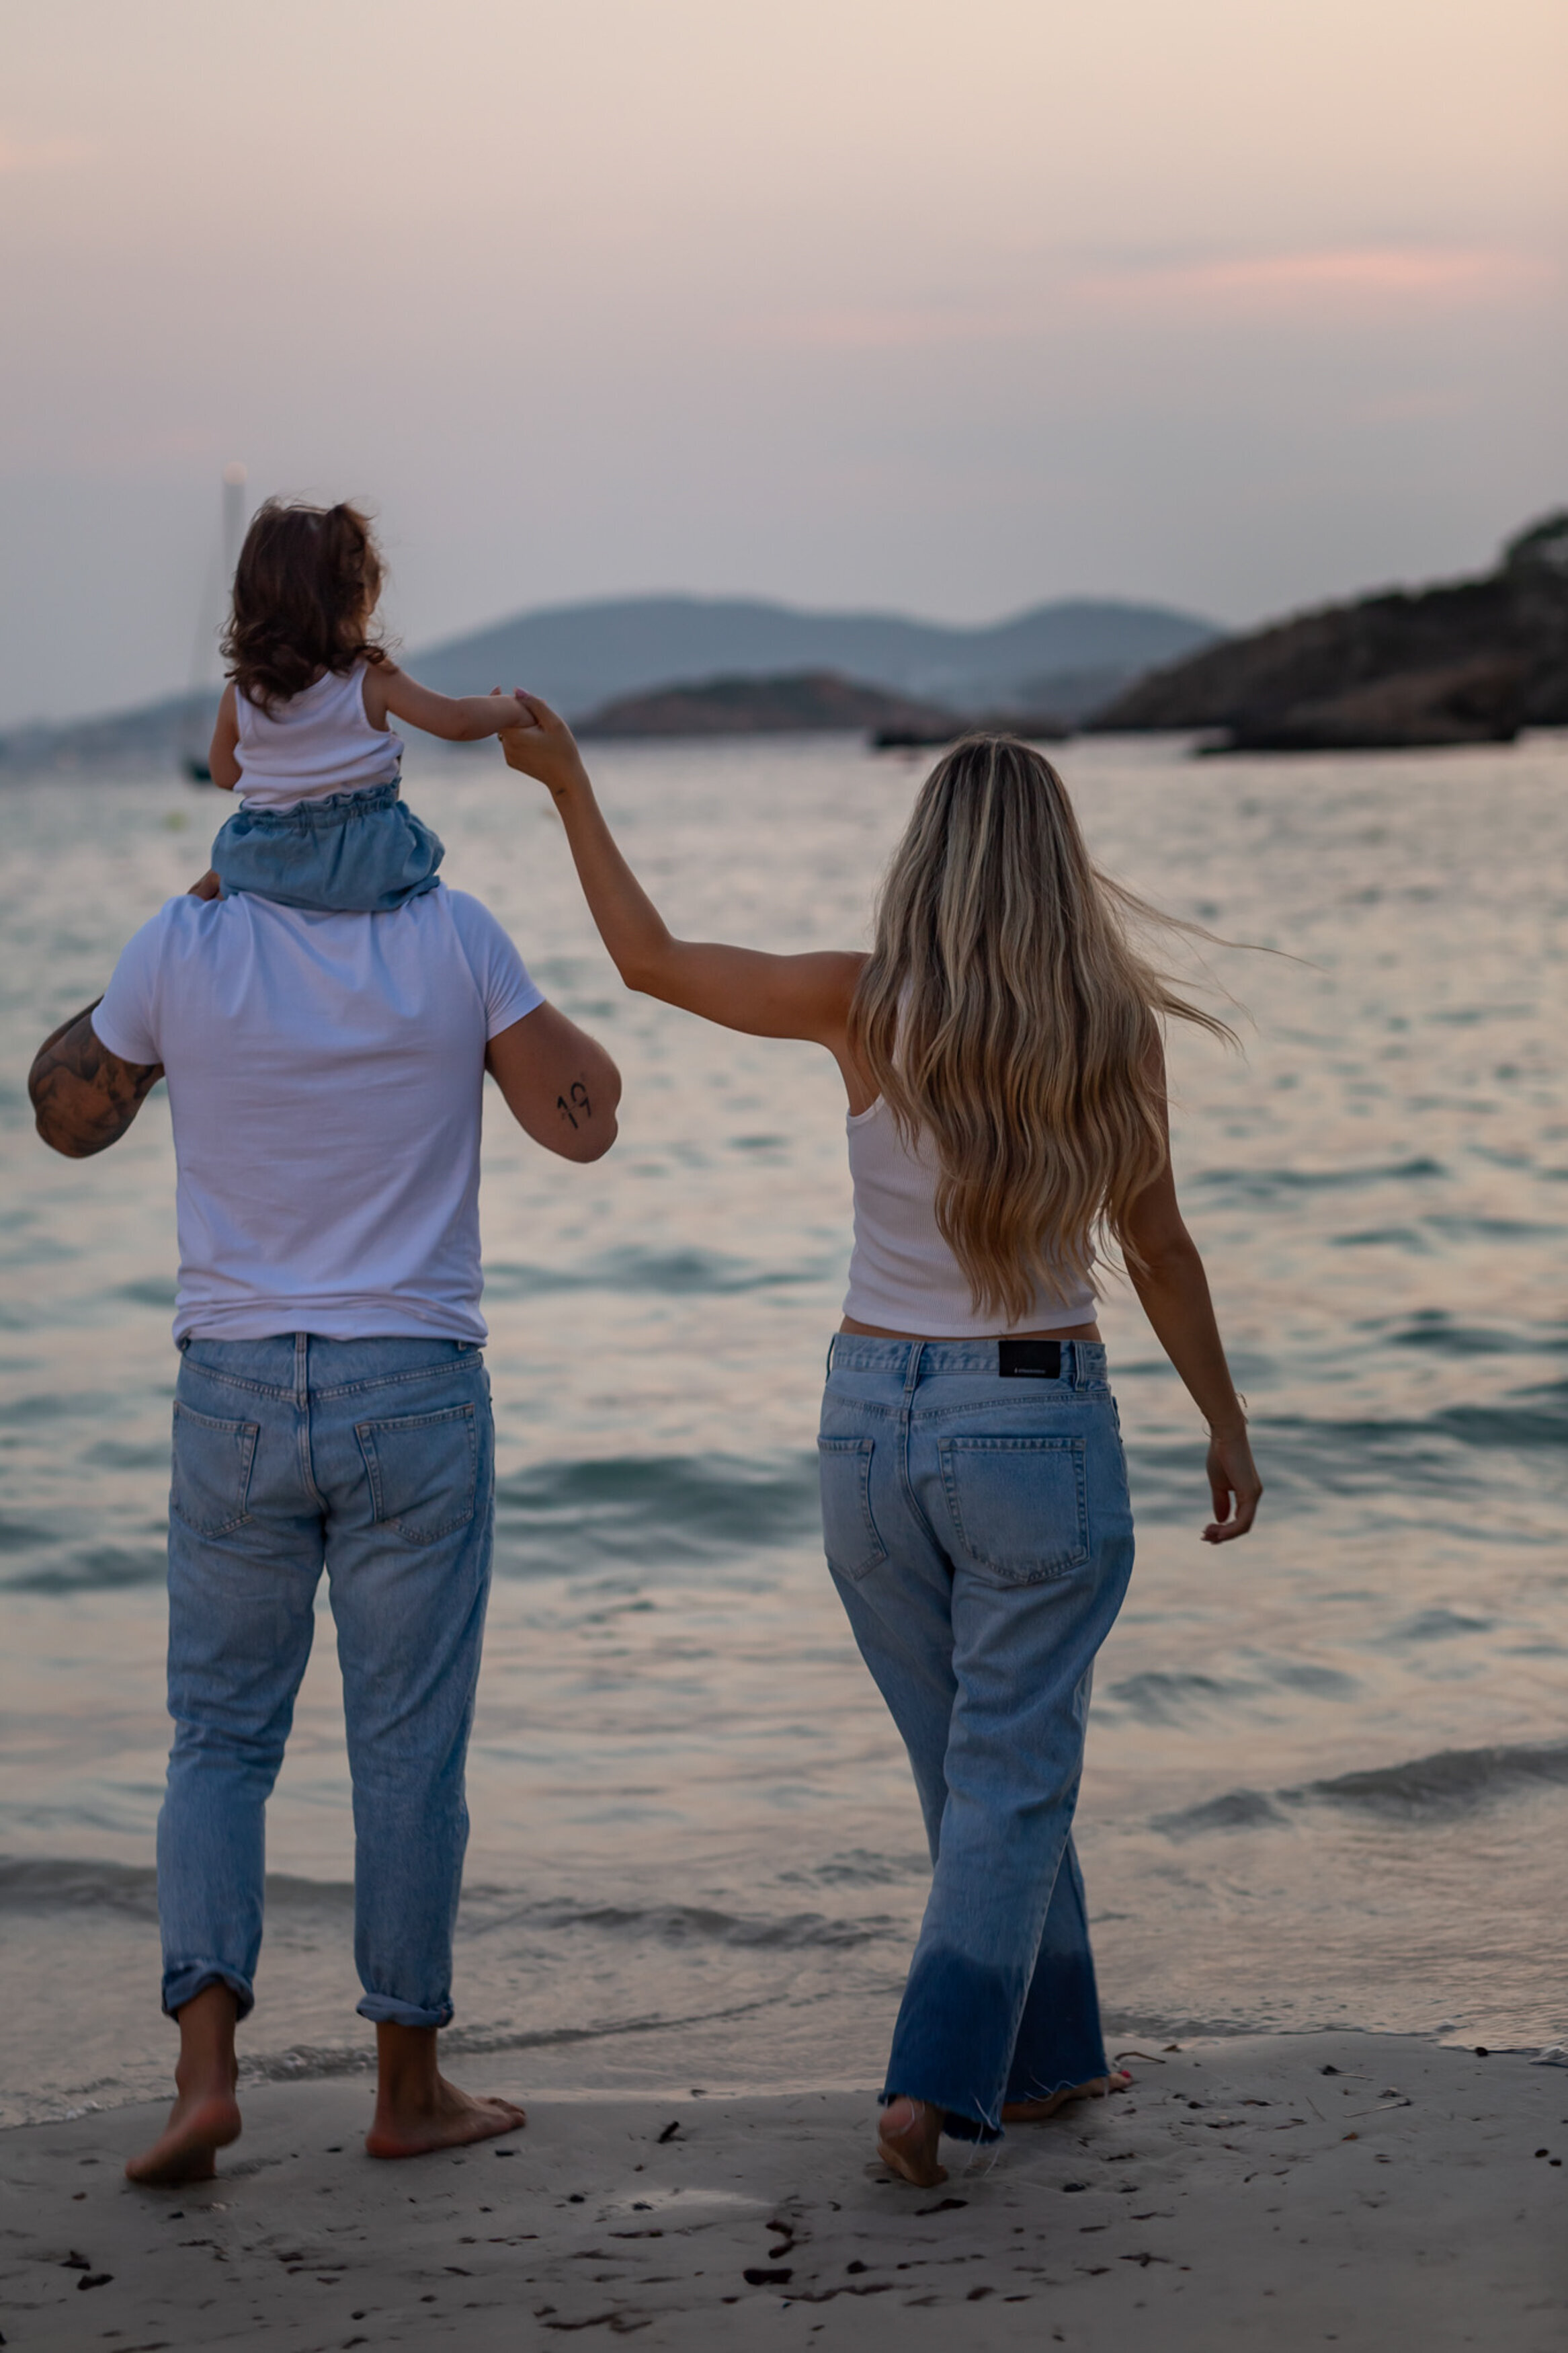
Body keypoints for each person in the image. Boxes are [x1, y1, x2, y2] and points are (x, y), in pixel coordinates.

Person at [497, 701, 1262, 2188]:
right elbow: (1155, 1246)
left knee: (973, 1772)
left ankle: (1041, 2060)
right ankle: (928, 2089)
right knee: (1009, 1769)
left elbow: (646, 962)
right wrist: (1220, 1419)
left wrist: (571, 787)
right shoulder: (1108, 1028)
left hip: (862, 1429)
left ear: (926, 866)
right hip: (1029, 1418)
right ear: (1059, 872)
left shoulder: (860, 1003)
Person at [28, 692, 622, 2183]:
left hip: (231, 1390)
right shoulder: (450, 933)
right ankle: (405, 2088)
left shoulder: (186, 942)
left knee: (218, 1740)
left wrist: (185, 929)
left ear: (249, 748)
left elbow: (64, 1117)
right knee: (406, 1750)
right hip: (410, 1385)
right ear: (381, 751)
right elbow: (587, 1117)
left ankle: (203, 2079)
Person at [196, 497, 535, 914]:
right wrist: (513, 711)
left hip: (268, 871)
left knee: (204, 889)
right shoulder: (367, 676)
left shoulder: (243, 695)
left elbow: (225, 774)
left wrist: (283, 776)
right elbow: (457, 722)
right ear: (357, 599)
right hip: (367, 870)